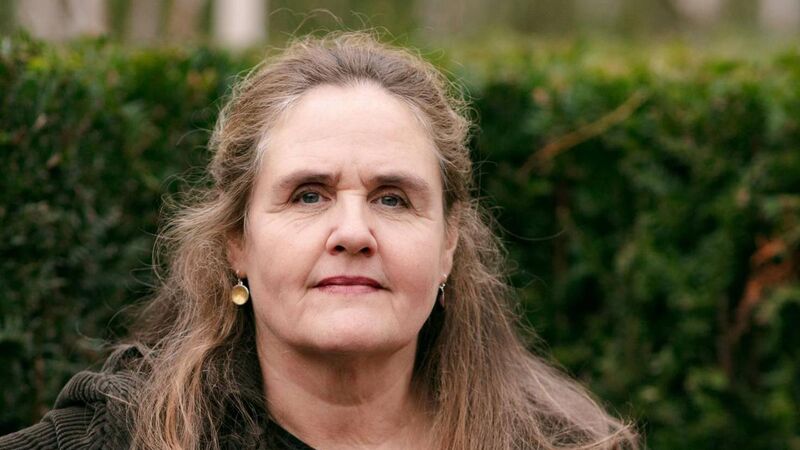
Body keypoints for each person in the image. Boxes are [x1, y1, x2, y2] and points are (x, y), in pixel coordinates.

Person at [0, 32, 638, 450]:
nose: (353, 233)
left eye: (393, 198)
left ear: (448, 244)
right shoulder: (125, 434)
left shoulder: (563, 443)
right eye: (309, 195)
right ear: (236, 241)